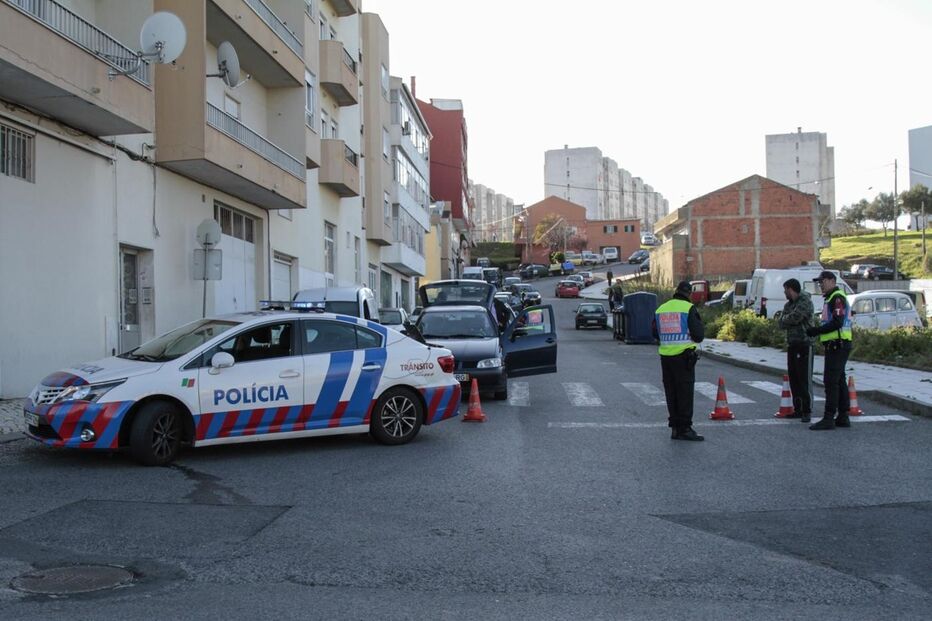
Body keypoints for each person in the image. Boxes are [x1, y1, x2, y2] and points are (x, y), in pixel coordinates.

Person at [653, 281, 705, 441]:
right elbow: (698, 335)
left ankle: (675, 428)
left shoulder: (661, 309)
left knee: (672, 393)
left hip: (666, 358)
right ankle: (685, 428)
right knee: (685, 393)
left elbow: (655, 333)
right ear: (689, 293)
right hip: (683, 358)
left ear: (676, 291)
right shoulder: (688, 308)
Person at [805, 271, 852, 430]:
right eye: (819, 282)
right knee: (839, 380)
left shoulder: (836, 298)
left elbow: (837, 322)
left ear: (832, 281)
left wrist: (817, 331)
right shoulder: (831, 298)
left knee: (831, 381)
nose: (821, 285)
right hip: (838, 344)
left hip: (837, 344)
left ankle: (829, 417)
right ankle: (843, 416)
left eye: (822, 281)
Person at [778, 278, 814, 422]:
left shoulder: (805, 301)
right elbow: (781, 322)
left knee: (804, 379)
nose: (784, 292)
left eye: (785, 289)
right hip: (792, 344)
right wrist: (787, 319)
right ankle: (797, 408)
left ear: (791, 289)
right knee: (794, 378)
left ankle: (807, 410)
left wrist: (787, 319)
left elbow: (796, 317)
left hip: (804, 344)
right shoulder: (788, 305)